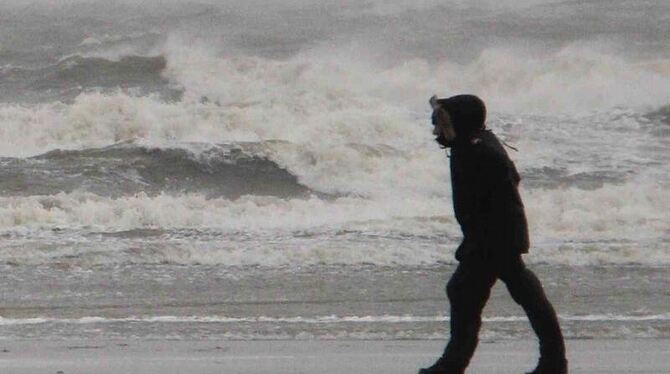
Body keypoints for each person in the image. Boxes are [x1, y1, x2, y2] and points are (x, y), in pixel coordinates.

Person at [419, 95, 567, 374]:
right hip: (495, 238)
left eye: (440, 123)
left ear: (459, 122)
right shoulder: (471, 144)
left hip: (495, 239)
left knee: (466, 292)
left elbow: (495, 203)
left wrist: (480, 244)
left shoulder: (479, 151)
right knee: (510, 293)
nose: (436, 131)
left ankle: (452, 366)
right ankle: (553, 362)